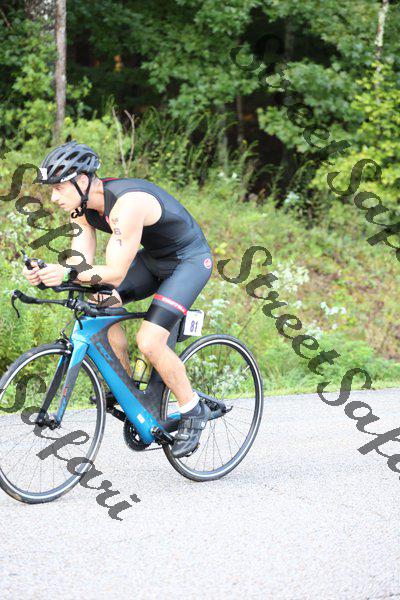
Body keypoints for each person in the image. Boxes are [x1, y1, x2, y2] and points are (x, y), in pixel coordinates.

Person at [23, 140, 214, 458]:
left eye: (58, 187)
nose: (53, 197)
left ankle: (193, 409)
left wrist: (67, 274)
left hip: (189, 262)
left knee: (150, 341)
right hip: (153, 260)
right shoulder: (81, 209)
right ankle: (127, 390)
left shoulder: (128, 204)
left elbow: (113, 272)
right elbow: (82, 266)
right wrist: (49, 274)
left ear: (81, 180)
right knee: (100, 302)